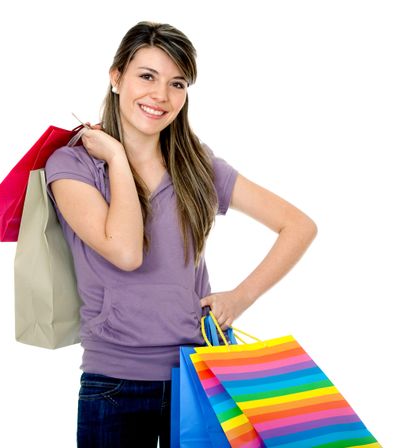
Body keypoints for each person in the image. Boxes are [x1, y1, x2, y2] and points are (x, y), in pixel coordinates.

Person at [45, 20, 317, 448]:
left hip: (200, 380)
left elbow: (298, 226)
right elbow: (126, 251)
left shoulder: (198, 167)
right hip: (114, 385)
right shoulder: (73, 167)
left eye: (177, 83)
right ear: (116, 78)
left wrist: (238, 298)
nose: (161, 96)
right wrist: (117, 157)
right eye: (147, 76)